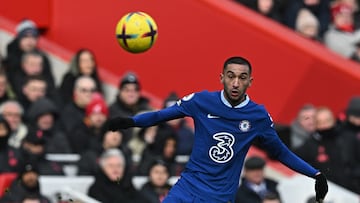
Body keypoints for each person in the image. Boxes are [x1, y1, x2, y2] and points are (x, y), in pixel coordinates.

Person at [108, 56, 328, 202]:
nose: (235, 83)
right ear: (221, 77)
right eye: (231, 76)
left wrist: (315, 174)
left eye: (242, 78)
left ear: (250, 82)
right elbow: (160, 115)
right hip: (188, 188)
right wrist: (130, 122)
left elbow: (280, 152)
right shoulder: (201, 101)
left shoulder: (257, 115)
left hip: (219, 197)